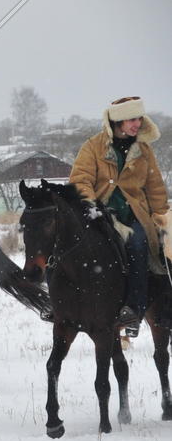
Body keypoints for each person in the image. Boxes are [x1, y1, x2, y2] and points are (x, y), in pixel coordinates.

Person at [69, 96, 169, 337]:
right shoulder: (93, 146)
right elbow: (80, 179)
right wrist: (89, 205)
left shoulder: (144, 150)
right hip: (99, 214)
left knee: (138, 243)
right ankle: (62, 304)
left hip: (134, 215)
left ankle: (134, 309)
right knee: (63, 243)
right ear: (118, 121)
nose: (137, 124)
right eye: (132, 119)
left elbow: (155, 187)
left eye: (139, 119)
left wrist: (161, 217)